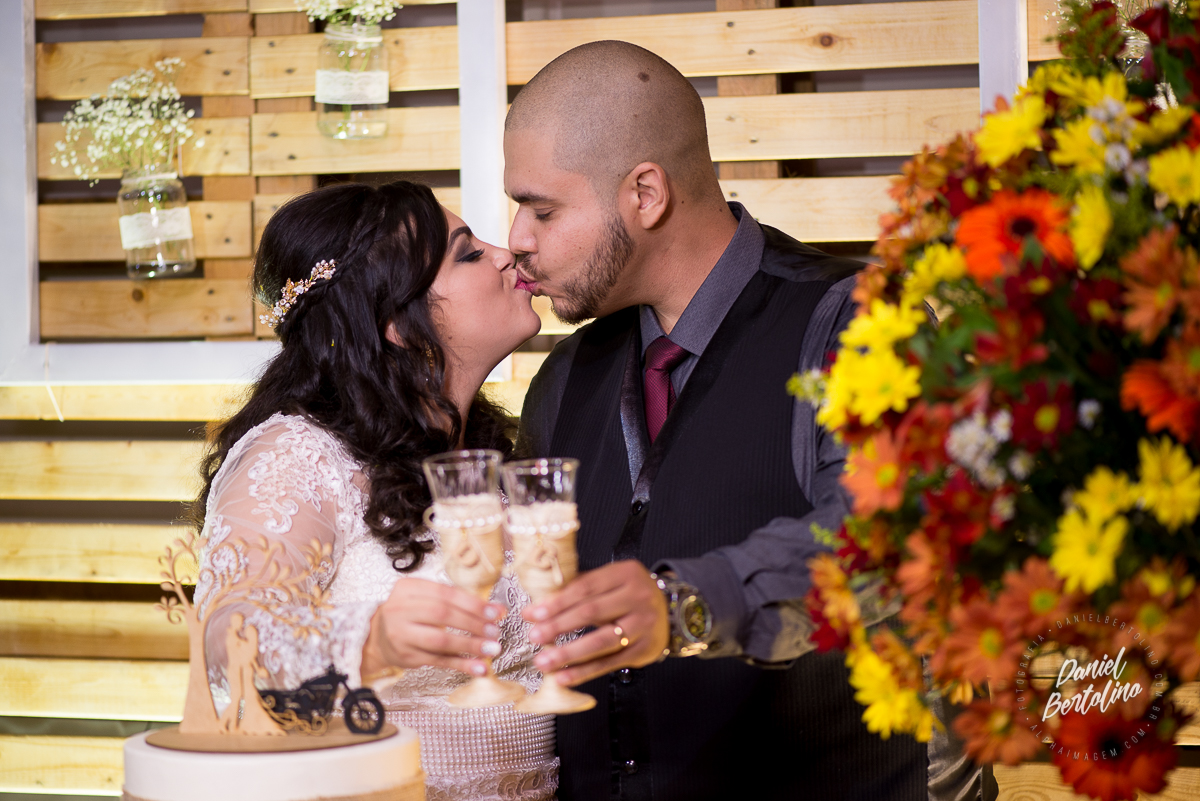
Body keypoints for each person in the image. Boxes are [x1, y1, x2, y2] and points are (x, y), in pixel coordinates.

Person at [508, 42, 980, 800]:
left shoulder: (861, 321)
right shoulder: (562, 378)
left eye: (542, 209)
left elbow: (883, 541)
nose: (518, 238)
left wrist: (684, 605)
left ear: (646, 193)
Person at [188, 180, 557, 801]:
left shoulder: (493, 458)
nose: (504, 254)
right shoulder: (299, 455)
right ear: (395, 324)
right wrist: (369, 642)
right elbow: (230, 634)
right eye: (468, 253)